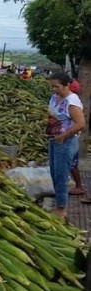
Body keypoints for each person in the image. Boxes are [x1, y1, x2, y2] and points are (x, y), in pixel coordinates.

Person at [47, 72, 86, 218]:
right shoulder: (55, 97)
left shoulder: (72, 101)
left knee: (62, 175)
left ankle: (61, 208)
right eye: (52, 87)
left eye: (57, 86)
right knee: (55, 173)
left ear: (67, 85)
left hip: (65, 141)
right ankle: (58, 203)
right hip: (54, 139)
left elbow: (81, 124)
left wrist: (63, 136)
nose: (54, 89)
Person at [68, 79, 86, 197]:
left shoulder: (73, 101)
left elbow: (80, 124)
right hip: (71, 135)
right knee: (71, 164)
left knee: (72, 164)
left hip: (71, 137)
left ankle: (79, 187)